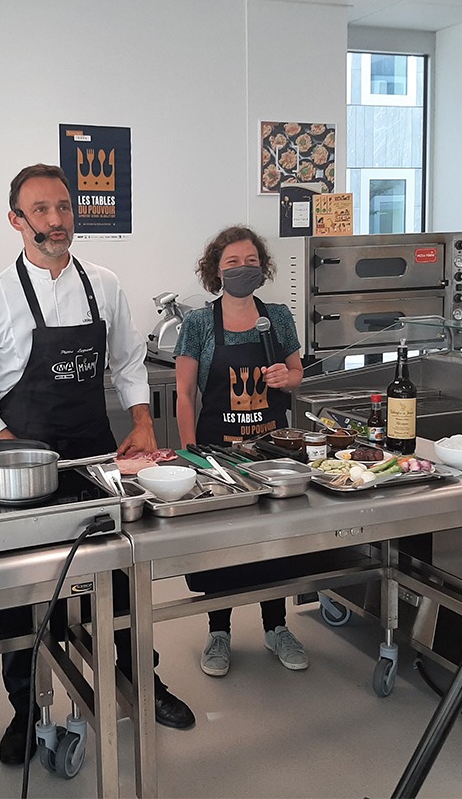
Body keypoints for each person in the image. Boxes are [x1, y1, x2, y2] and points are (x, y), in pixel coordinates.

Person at [0, 163, 195, 766]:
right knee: (24, 596)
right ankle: (26, 710)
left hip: (93, 458)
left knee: (116, 582)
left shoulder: (103, 283)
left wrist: (140, 420)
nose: (56, 220)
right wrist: (12, 449)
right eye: (41, 210)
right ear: (16, 220)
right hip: (19, 471)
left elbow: (128, 360)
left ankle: (142, 680)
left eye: (63, 207)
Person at [175, 225, 308, 678]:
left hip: (272, 450)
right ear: (216, 269)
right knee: (224, 545)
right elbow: (185, 393)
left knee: (273, 543)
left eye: (250, 260)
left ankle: (276, 626)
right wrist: (190, 454)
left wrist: (284, 380)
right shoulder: (196, 323)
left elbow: (297, 375)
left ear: (263, 266)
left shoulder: (278, 316)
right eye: (232, 262)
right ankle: (219, 631)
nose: (242, 268)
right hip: (218, 453)